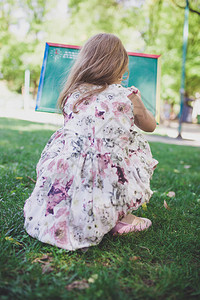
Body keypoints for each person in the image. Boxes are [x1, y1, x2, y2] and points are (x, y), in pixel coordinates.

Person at [24, 33, 158, 251]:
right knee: (132, 144)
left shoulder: (73, 94)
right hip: (106, 175)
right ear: (120, 65)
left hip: (64, 172)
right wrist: (137, 101)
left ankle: (73, 213)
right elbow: (150, 126)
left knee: (89, 153)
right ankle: (119, 216)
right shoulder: (127, 96)